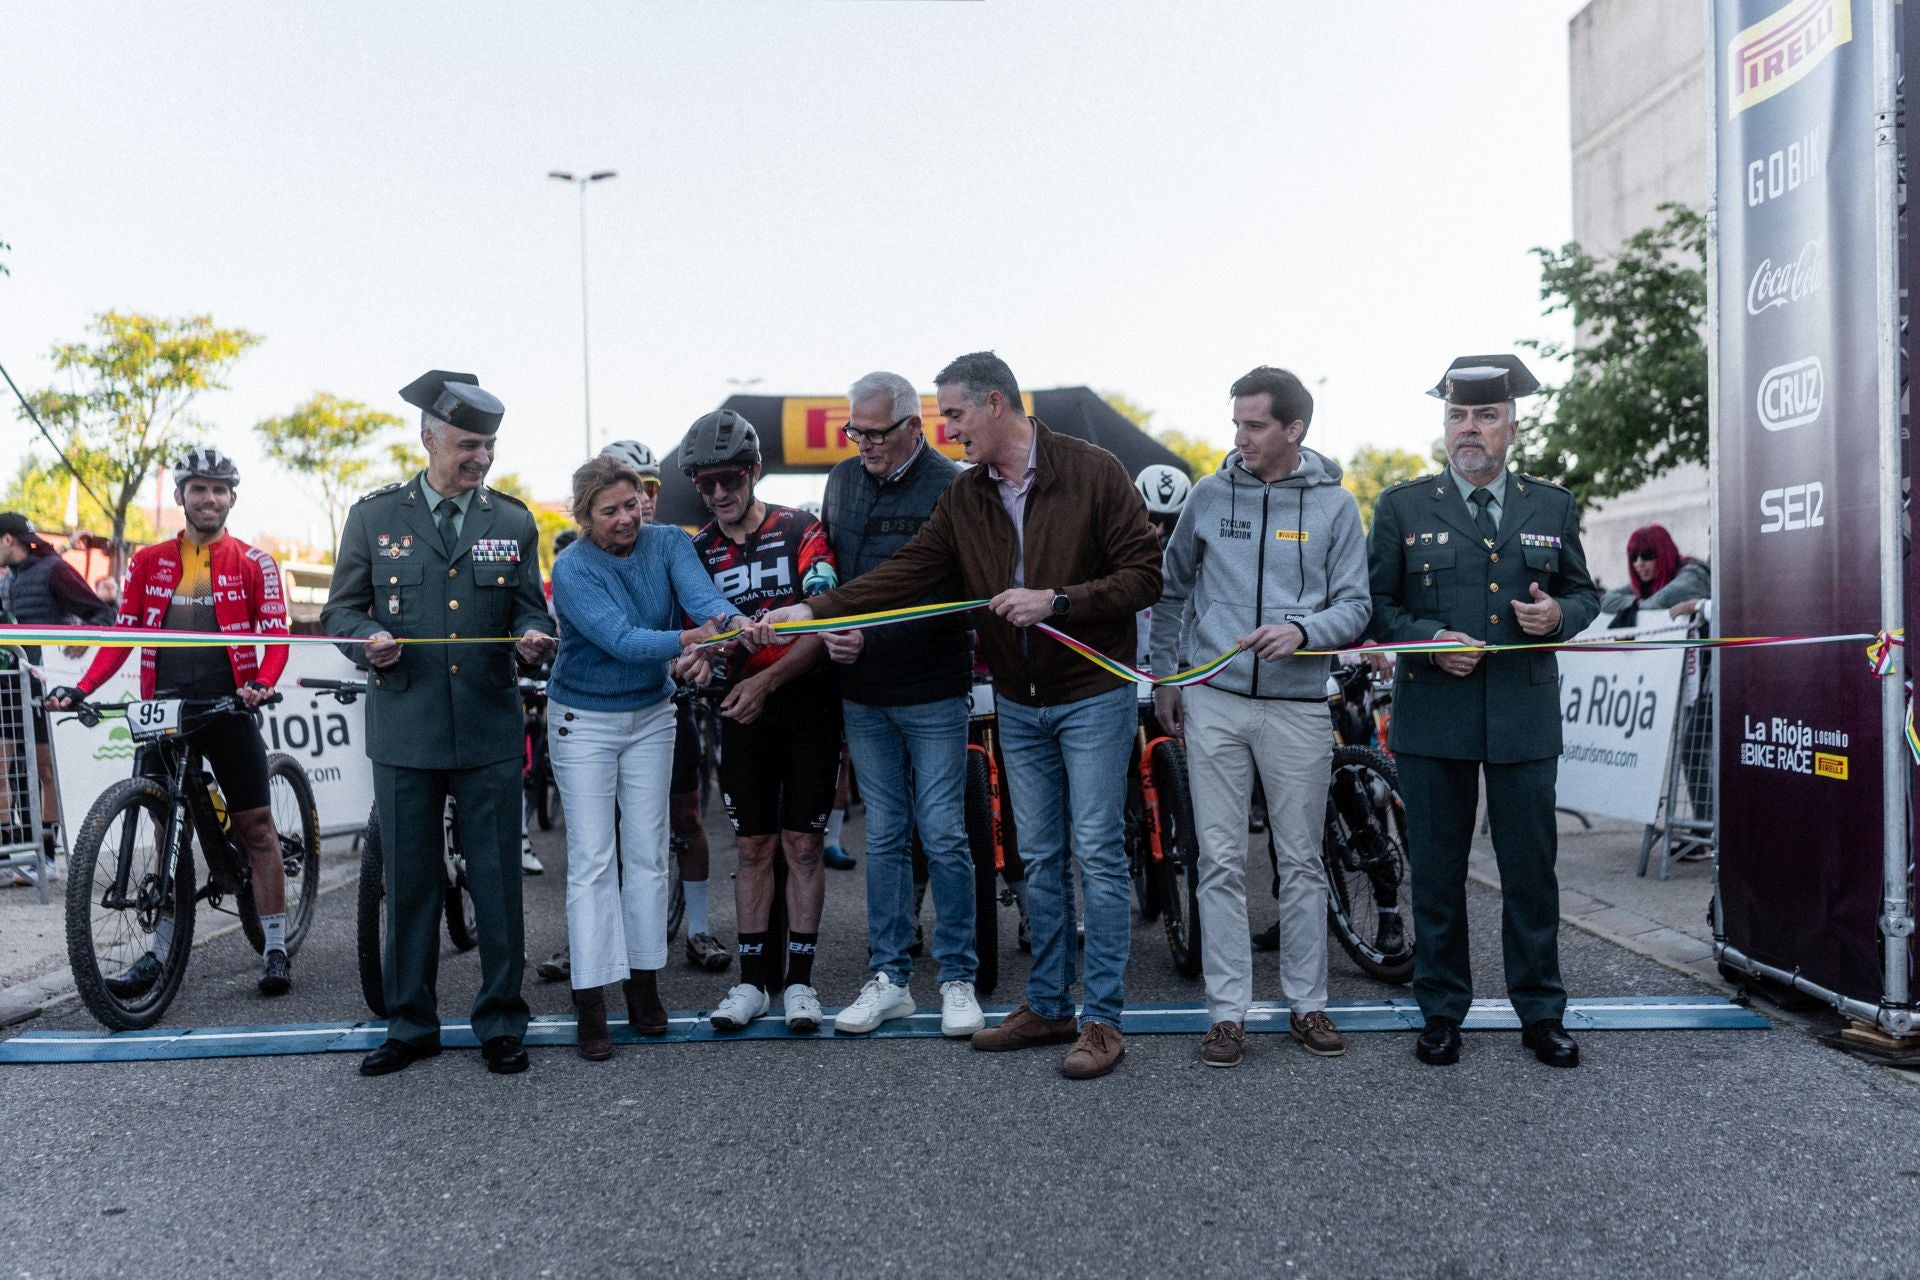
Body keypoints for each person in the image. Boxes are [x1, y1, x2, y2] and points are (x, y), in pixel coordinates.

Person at [766, 351, 1161, 1080]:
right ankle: (1048, 1005)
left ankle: (1102, 1020)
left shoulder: (1095, 469)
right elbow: (908, 572)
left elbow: (1145, 575)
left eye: (953, 414)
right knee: (1039, 858)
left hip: (1091, 693)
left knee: (1098, 853)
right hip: (1019, 699)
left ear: (997, 406)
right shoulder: (967, 496)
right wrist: (815, 608)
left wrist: (1057, 600)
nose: (947, 430)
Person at [1365, 354, 1600, 1070]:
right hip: (1434, 718)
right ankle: (1440, 1011)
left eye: (1485, 415)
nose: (1469, 429)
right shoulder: (1403, 506)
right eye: (1458, 416)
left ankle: (1541, 1012)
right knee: (1437, 873)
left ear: (1512, 426)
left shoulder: (1551, 505)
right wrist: (1429, 643)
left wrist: (1559, 613)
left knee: (1531, 872)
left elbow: (1586, 595)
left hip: (1524, 718)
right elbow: (1377, 607)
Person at [322, 370, 556, 1077]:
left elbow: (530, 607)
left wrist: (534, 634)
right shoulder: (374, 517)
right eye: (467, 444)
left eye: (489, 446)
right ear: (428, 439)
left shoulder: (512, 521)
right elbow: (340, 611)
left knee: (496, 881)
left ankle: (500, 1021)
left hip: (487, 726)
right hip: (407, 726)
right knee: (412, 881)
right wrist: (365, 638)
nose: (481, 458)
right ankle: (411, 1023)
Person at [1151, 367, 1372, 1070]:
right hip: (1213, 700)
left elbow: (1357, 606)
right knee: (1217, 860)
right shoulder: (1211, 496)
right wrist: (1167, 677)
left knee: (1302, 860)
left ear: (1293, 430)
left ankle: (1308, 1005)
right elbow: (1171, 589)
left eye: (1253, 425)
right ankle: (1227, 1014)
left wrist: (1304, 632)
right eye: (1237, 422)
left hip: (1300, 705)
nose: (1238, 437)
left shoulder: (1338, 507)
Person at [45, 449, 294, 994]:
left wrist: (261, 684)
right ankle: (159, 953)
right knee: (165, 827)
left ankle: (275, 944)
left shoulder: (255, 562)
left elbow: (275, 635)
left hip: (228, 707)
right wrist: (82, 688)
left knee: (255, 828)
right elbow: (124, 634)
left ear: (232, 498)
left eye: (220, 490)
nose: (210, 499)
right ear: (181, 496)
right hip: (162, 709)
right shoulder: (149, 561)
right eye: (199, 489)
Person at [545, 452, 755, 1060]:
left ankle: (643, 982)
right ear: (584, 516)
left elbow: (703, 598)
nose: (625, 518)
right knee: (590, 858)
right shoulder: (573, 568)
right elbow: (619, 639)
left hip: (652, 716)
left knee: (647, 853)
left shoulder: (669, 542)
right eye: (609, 511)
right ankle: (590, 997)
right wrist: (690, 638)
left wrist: (737, 623)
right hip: (584, 718)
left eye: (632, 504)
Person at [816, 370, 983, 1039]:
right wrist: (826, 617)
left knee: (942, 829)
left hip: (934, 685)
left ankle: (958, 978)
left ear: (915, 427)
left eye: (876, 432)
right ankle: (888, 977)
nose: (863, 443)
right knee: (883, 834)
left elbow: (963, 592)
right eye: (855, 430)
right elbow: (831, 565)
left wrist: (871, 632)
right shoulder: (841, 479)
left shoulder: (954, 485)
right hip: (863, 691)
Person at [682, 409, 842, 1033]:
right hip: (738, 711)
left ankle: (799, 984)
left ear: (752, 471)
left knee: (803, 844)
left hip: (806, 702)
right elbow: (687, 638)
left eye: (728, 479)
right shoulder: (696, 550)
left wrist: (768, 678)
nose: (718, 494)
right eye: (705, 483)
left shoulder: (802, 528)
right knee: (753, 847)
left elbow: (826, 614)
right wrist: (691, 660)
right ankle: (752, 985)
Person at [605, 437, 735, 972]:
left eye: (650, 488)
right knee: (603, 826)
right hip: (605, 706)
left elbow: (702, 608)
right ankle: (599, 932)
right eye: (631, 491)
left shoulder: (676, 545)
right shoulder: (586, 552)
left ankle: (699, 930)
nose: (643, 501)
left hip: (670, 697)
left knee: (685, 815)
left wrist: (714, 640)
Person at [0, 512, 115, 868]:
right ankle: (7, 853)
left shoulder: (53, 569)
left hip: (45, 683)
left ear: (8, 540)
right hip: (11, 684)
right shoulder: (10, 577)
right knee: (1, 765)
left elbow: (102, 613)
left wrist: (82, 639)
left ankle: (47, 855)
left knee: (45, 769)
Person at [1600, 524, 1711, 621]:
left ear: (1664, 555)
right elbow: (1605, 600)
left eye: (1647, 555)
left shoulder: (1693, 573)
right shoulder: (1648, 582)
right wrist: (1636, 602)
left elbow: (1663, 600)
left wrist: (1637, 604)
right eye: (1633, 558)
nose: (1639, 564)